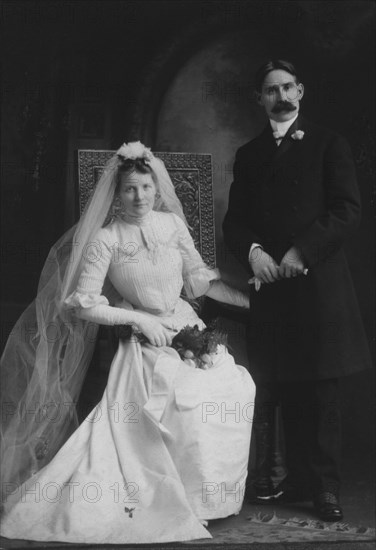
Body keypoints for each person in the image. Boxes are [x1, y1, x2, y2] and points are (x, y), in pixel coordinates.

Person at [0, 142, 255, 544]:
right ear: (116, 194)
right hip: (141, 336)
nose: (140, 197)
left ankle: (209, 499)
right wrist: (137, 319)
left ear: (158, 189)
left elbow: (197, 279)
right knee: (180, 392)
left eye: (147, 188)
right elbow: (84, 304)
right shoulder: (106, 239)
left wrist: (249, 293)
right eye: (130, 189)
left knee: (233, 383)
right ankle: (176, 501)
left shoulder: (171, 226)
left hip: (185, 324)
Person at [222, 60, 372, 522]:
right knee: (281, 385)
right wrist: (254, 254)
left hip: (320, 285)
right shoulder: (249, 154)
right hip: (273, 289)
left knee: (322, 389)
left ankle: (325, 489)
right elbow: (236, 220)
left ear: (301, 91)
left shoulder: (329, 144)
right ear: (259, 99)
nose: (281, 96)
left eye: (288, 87)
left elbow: (347, 210)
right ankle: (293, 480)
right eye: (271, 90)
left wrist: (300, 253)